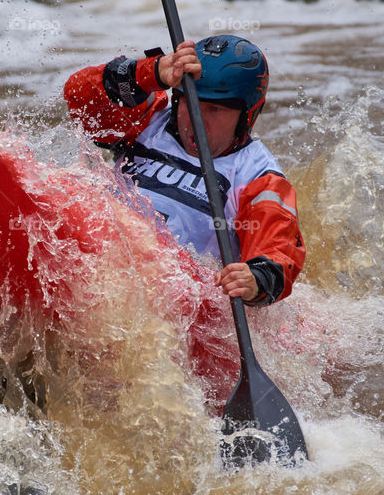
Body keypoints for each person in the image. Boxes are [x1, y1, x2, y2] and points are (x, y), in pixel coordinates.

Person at [63, 34, 305, 307]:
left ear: (247, 116)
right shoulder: (147, 120)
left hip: (172, 295)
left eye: (214, 109)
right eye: (190, 104)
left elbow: (279, 250)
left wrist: (256, 279)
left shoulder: (259, 177)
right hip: (99, 255)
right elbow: (79, 99)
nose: (196, 121)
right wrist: (150, 73)